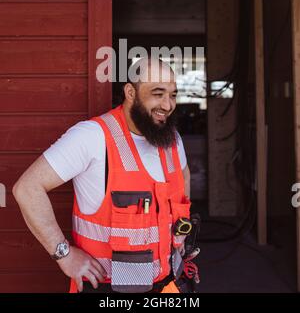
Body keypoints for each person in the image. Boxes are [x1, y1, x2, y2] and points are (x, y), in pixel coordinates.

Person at [13, 58, 191, 293]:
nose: (168, 105)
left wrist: (178, 239)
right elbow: (27, 188)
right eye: (158, 94)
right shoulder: (93, 137)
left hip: (169, 284)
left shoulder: (171, 140)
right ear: (130, 92)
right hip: (108, 289)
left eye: (173, 95)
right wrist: (64, 255)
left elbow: (183, 179)